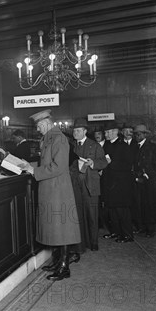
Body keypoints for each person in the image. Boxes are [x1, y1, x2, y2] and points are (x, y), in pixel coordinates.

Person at [20, 109, 81, 281]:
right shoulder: (48, 138)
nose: (38, 129)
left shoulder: (59, 138)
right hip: (50, 188)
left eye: (39, 126)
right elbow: (45, 162)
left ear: (46, 123)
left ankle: (64, 266)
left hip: (58, 189)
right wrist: (28, 165)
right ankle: (58, 261)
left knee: (61, 227)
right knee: (54, 227)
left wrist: (33, 170)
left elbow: (59, 167)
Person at [68, 118, 108, 254]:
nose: (75, 133)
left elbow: (104, 162)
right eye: (74, 131)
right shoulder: (72, 145)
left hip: (90, 185)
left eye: (78, 130)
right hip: (75, 184)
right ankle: (82, 242)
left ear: (85, 131)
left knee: (92, 215)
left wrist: (92, 163)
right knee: (78, 215)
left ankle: (94, 242)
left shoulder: (95, 145)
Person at [100, 120, 134, 243]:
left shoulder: (123, 146)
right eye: (105, 132)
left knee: (122, 210)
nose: (106, 134)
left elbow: (127, 165)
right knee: (112, 210)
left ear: (115, 132)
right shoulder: (107, 145)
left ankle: (127, 235)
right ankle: (116, 232)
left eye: (108, 132)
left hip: (121, 184)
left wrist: (111, 163)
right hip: (110, 183)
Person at [132, 124, 156, 237]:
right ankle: (142, 227)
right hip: (138, 180)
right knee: (140, 204)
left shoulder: (153, 147)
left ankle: (150, 229)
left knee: (149, 205)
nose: (137, 136)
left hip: (150, 181)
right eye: (136, 134)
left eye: (139, 134)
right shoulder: (135, 147)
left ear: (145, 135)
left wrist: (147, 175)